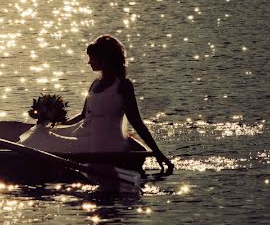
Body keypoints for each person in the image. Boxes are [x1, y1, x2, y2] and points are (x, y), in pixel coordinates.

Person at [24, 35, 174, 173]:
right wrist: (57, 125)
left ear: (104, 59)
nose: (89, 62)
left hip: (107, 142)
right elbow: (83, 115)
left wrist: (157, 151)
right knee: (42, 133)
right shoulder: (95, 84)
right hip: (86, 134)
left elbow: (136, 121)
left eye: (92, 58)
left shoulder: (123, 85)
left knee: (46, 140)